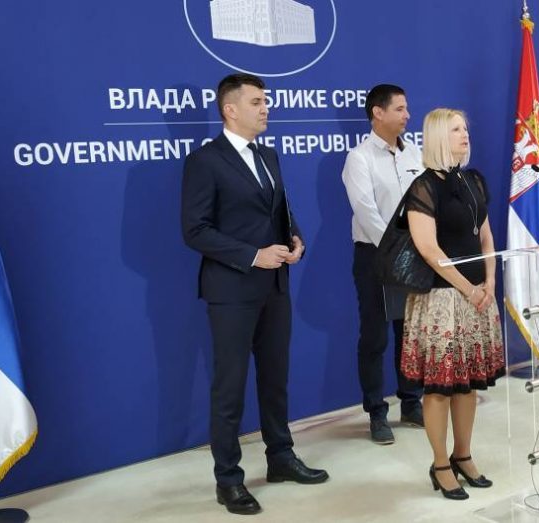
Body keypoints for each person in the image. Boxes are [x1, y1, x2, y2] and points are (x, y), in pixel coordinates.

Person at [181, 73, 328, 516]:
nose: (266, 108)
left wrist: (295, 238)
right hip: (231, 290)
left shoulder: (268, 154)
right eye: (257, 102)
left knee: (275, 380)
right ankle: (228, 480)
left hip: (276, 286)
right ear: (230, 109)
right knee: (229, 388)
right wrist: (252, 256)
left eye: (266, 101)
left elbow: (280, 208)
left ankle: (281, 457)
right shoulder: (204, 161)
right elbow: (195, 230)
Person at [400, 108, 505, 500]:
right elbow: (429, 249)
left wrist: (490, 280)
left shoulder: (473, 180)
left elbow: (486, 236)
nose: (465, 135)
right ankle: (441, 464)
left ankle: (464, 455)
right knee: (441, 387)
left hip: (478, 296)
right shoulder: (424, 187)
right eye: (456, 129)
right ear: (438, 137)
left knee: (468, 384)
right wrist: (467, 288)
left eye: (465, 128)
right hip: (442, 300)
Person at [342, 84, 424, 445]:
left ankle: (411, 402)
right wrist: (397, 249)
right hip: (375, 255)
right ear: (378, 112)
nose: (407, 115)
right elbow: (367, 211)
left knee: (409, 333)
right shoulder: (359, 158)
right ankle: (376, 411)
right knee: (375, 336)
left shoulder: (415, 153)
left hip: (414, 254)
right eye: (400, 109)